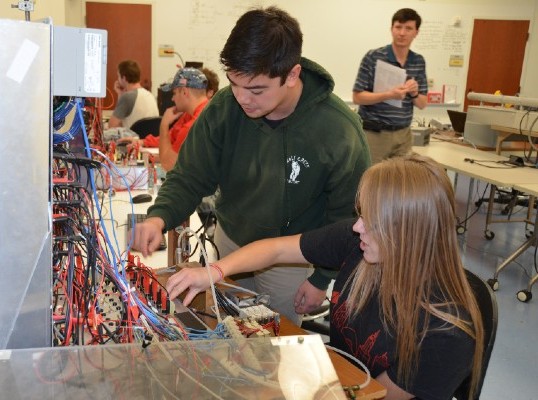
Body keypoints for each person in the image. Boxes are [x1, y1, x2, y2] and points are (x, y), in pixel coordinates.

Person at [165, 154, 484, 400]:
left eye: (371, 221)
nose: (358, 227)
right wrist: (214, 271)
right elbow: (275, 250)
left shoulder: (446, 332)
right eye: (361, 215)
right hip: (335, 378)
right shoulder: (360, 244)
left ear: (409, 233)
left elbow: (372, 395)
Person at [132, 6, 370, 325]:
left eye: (257, 89)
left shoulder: (338, 129)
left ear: (292, 75)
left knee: (274, 343)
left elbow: (346, 217)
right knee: (230, 329)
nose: (243, 98)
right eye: (235, 84)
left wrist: (321, 279)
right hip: (232, 240)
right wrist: (158, 217)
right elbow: (189, 175)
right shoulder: (224, 108)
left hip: (292, 257)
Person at [352, 8, 428, 164]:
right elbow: (357, 97)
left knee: (400, 182)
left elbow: (422, 103)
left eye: (408, 28)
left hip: (403, 135)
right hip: (375, 134)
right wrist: (389, 95)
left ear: (416, 32)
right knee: (372, 180)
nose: (402, 33)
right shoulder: (374, 57)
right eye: (398, 27)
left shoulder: (418, 61)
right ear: (391, 29)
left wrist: (414, 93)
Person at [108, 60, 159, 129]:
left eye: (118, 76)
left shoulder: (127, 97)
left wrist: (121, 95)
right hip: (148, 138)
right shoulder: (150, 95)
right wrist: (120, 94)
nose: (118, 79)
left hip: (133, 138)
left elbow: (112, 126)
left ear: (124, 78)